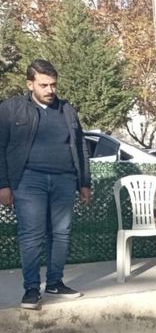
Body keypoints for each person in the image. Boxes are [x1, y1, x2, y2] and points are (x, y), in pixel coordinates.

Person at [0, 59, 92, 310]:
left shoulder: (67, 110)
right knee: (31, 235)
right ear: (30, 84)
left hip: (64, 180)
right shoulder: (11, 109)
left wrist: (84, 182)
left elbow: (81, 146)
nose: (50, 90)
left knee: (61, 233)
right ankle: (31, 290)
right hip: (29, 181)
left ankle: (55, 282)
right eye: (44, 85)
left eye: (53, 85)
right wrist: (3, 185)